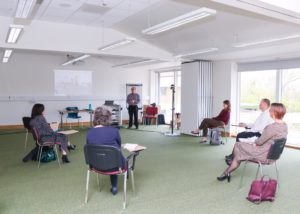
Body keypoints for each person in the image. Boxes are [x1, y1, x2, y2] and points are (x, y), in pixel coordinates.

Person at [217, 103, 288, 182]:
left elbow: (259, 142)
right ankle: (229, 169)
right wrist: (255, 143)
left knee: (238, 145)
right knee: (241, 150)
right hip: (273, 155)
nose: (269, 112)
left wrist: (254, 142)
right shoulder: (284, 126)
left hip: (263, 155)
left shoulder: (272, 127)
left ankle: (231, 166)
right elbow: (271, 140)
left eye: (270, 110)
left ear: (274, 113)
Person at [86, 106, 126, 195]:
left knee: (110, 156)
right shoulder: (114, 131)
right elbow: (118, 147)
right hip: (115, 166)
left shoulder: (89, 132)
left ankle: (114, 186)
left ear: (95, 118)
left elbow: (90, 148)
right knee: (116, 157)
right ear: (108, 118)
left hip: (95, 166)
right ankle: (114, 187)